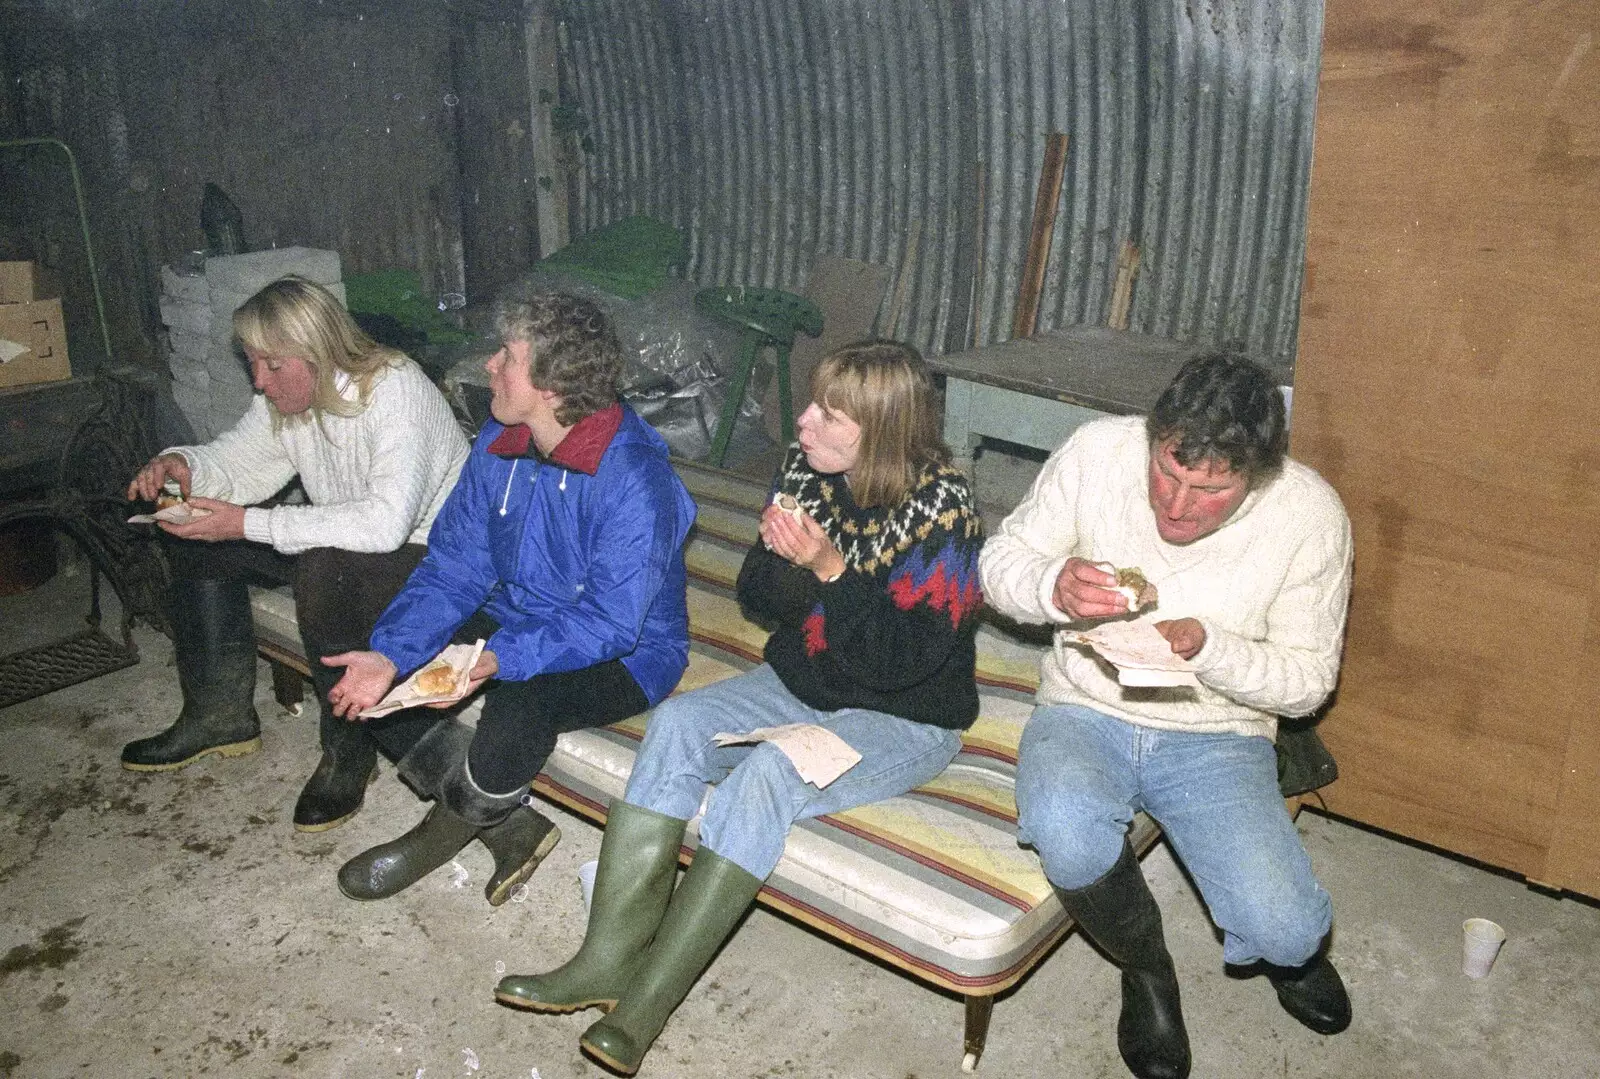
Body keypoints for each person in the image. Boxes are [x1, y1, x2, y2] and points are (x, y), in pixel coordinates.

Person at [494, 340, 985, 1076]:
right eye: (813, 403)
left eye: (830, 415)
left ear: (881, 430)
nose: (804, 424)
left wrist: (827, 570)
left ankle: (650, 998)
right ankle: (604, 958)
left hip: (907, 715)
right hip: (804, 678)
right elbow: (758, 595)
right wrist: (804, 574)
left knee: (768, 774)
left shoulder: (943, 508)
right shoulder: (807, 472)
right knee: (679, 723)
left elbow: (899, 663)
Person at [978, 352, 1353, 1079]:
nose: (1175, 505)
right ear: (1152, 437)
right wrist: (1052, 585)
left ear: (1260, 475)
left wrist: (1211, 647)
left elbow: (1308, 682)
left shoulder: (1309, 512)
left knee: (1291, 927)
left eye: (1209, 489)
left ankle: (1289, 955)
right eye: (1166, 471)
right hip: (1085, 708)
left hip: (1216, 731)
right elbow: (999, 563)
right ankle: (1145, 967)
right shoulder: (1097, 450)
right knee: (1064, 827)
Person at [323, 291, 696, 908]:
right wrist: (390, 653)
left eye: (507, 357)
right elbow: (456, 564)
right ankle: (507, 825)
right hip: (519, 611)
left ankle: (438, 836)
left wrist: (497, 658)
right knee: (384, 653)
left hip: (629, 652)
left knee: (524, 701)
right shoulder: (502, 438)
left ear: (552, 385)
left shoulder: (636, 481)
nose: (490, 365)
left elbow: (611, 620)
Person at [122, 275, 469, 837]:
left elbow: (384, 525)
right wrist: (182, 465)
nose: (259, 381)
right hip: (351, 545)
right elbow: (239, 462)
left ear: (319, 352)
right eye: (253, 362)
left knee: (320, 565)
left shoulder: (395, 390)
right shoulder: (290, 396)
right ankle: (219, 716)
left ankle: (346, 751)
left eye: (272, 365)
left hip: (432, 560)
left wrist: (245, 523)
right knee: (199, 543)